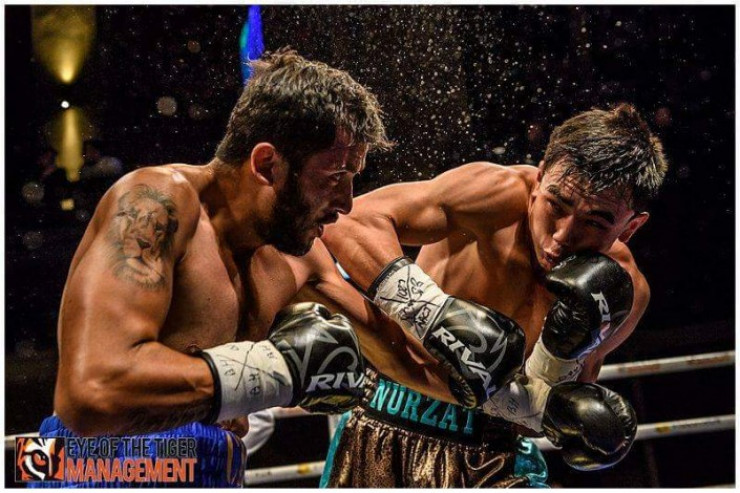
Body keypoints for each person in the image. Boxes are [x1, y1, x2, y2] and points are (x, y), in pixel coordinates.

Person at [39, 49, 458, 488]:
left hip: (216, 465)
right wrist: (276, 371)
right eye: (335, 177)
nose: (346, 203)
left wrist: (501, 394)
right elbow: (90, 393)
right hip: (92, 462)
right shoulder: (156, 204)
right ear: (267, 164)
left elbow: (405, 359)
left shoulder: (299, 257)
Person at [319, 103, 668, 487]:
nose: (562, 236)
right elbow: (348, 222)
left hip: (494, 451)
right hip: (388, 419)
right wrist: (432, 312)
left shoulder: (621, 295)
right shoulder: (493, 196)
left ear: (630, 228)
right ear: (539, 179)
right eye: (556, 205)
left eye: (595, 222)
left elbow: (535, 417)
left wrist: (558, 381)